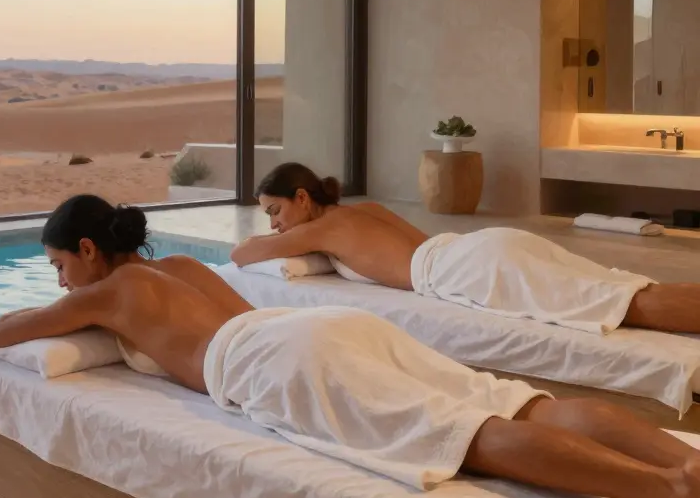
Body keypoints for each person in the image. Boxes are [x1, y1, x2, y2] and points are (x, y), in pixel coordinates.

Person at [0, 194, 700, 498]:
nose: (61, 283)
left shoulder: (108, 292)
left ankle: (670, 492)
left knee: (464, 434)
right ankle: (677, 460)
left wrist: (69, 306)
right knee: (515, 401)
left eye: (58, 265)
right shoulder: (179, 267)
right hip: (322, 327)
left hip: (276, 359)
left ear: (87, 249)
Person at [229, 162, 700, 335]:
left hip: (463, 270)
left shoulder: (321, 229)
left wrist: (275, 238)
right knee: (617, 287)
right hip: (477, 247)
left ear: (303, 197)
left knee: (619, 303)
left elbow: (241, 254)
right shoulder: (363, 209)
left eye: (275, 210)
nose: (274, 223)